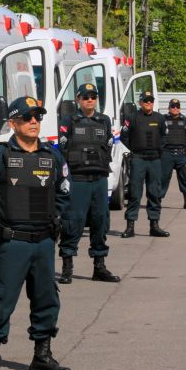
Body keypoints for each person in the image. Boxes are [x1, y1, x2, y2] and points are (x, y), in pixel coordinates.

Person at [0, 96, 72, 370]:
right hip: (11, 243)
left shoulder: (52, 157)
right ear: (13, 123)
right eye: (27, 118)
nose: (34, 122)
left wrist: (55, 219)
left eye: (37, 117)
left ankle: (42, 356)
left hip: (43, 243)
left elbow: (64, 192)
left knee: (46, 299)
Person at [57, 84, 120, 284]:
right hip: (78, 179)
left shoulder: (104, 120)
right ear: (78, 99)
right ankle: (67, 268)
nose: (90, 100)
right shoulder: (69, 120)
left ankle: (99, 267)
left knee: (101, 222)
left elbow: (108, 146)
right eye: (85, 97)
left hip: (99, 180)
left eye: (93, 96)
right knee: (72, 222)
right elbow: (63, 148)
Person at [120, 90, 170, 238]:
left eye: (151, 100)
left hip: (154, 160)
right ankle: (130, 227)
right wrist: (135, 149)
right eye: (146, 100)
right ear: (140, 102)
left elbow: (164, 137)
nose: (149, 103)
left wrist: (158, 151)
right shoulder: (132, 117)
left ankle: (154, 225)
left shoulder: (160, 118)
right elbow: (124, 136)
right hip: (138, 159)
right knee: (135, 192)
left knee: (154, 192)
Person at [161, 98, 186, 210]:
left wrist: (182, 143)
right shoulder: (163, 119)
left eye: (177, 106)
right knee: (164, 178)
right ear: (169, 107)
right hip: (167, 153)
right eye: (173, 106)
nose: (175, 108)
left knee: (184, 178)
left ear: (180, 108)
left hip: (181, 154)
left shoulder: (185, 120)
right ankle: (157, 201)